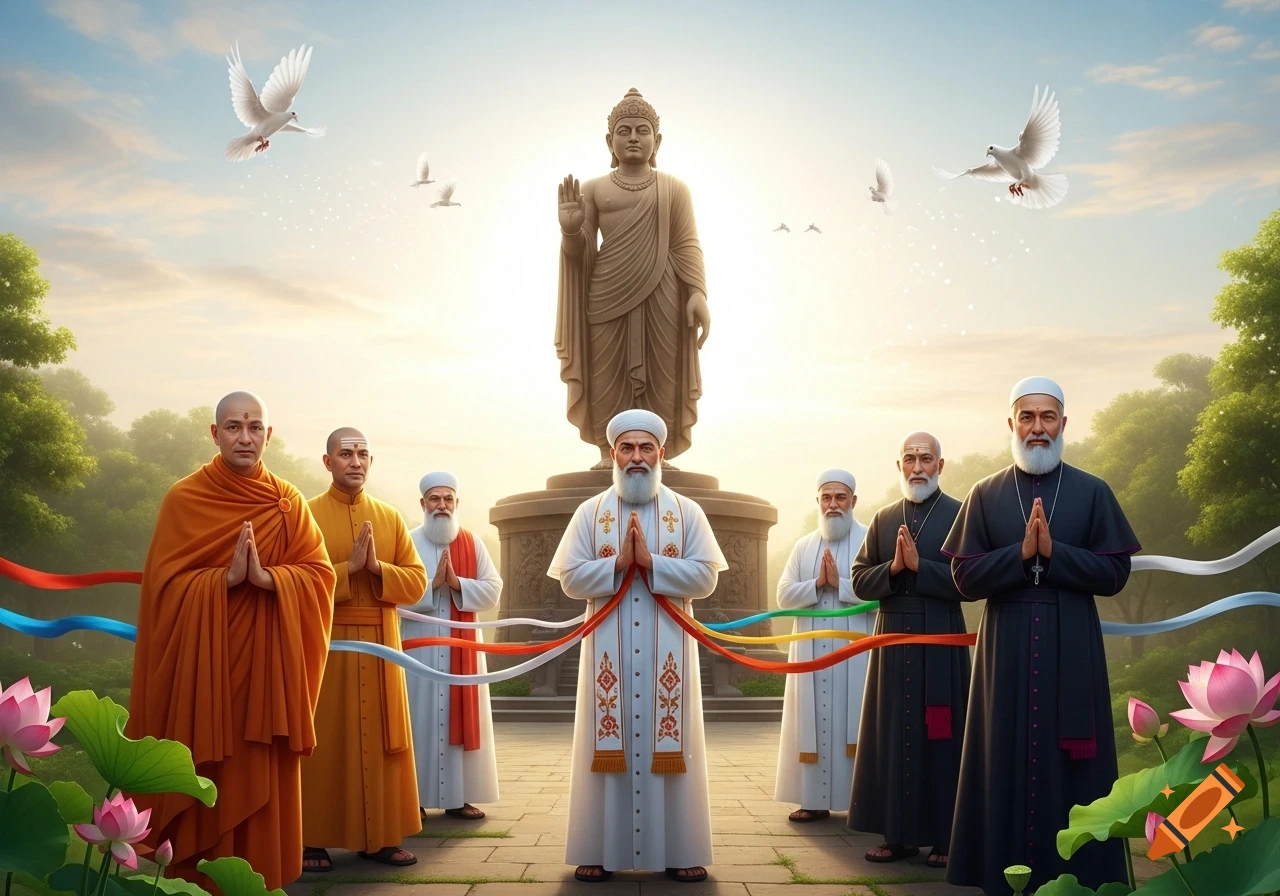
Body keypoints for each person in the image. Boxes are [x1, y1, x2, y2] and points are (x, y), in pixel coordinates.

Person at [126, 392, 335, 890]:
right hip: (203, 670)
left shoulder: (287, 501)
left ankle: (257, 877)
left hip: (267, 673)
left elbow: (320, 576)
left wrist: (268, 580)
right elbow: (163, 588)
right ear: (214, 433)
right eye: (235, 427)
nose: (246, 437)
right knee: (206, 770)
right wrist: (219, 581)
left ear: (269, 434)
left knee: (257, 768)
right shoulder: (185, 497)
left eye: (255, 427)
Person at [941, 377, 1141, 895]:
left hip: (1071, 640)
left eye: (1046, 417)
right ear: (1011, 425)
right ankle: (998, 872)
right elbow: (963, 580)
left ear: (1063, 424)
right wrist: (1020, 555)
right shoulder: (985, 494)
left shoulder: (1093, 490)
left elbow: (1115, 575)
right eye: (1026, 417)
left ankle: (1080, 876)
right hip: (1004, 647)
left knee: (1070, 765)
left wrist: (1053, 553)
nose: (1037, 427)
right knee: (1001, 754)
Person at [548, 409, 727, 883]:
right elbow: (568, 578)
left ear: (661, 453)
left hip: (670, 649)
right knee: (606, 742)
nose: (637, 457)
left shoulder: (687, 512)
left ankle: (681, 848)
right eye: (627, 448)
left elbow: (707, 577)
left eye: (646, 448)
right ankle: (597, 848)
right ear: (613, 454)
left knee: (674, 743)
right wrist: (617, 565)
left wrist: (651, 564)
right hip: (608, 651)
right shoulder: (590, 512)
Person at [555, 88, 712, 466]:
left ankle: (658, 449)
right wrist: (571, 231)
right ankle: (610, 452)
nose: (633, 138)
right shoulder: (593, 189)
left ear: (656, 140)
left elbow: (686, 243)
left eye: (642, 131)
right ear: (610, 141)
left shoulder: (674, 189)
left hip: (664, 292)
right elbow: (580, 256)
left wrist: (698, 293)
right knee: (606, 373)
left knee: (662, 373)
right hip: (606, 291)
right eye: (624, 131)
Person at [300, 429, 426, 871]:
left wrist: (377, 569)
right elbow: (294, 582)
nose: (355, 461)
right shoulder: (305, 516)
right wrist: (346, 571)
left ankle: (382, 838)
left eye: (362, 454)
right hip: (327, 647)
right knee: (324, 740)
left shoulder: (389, 518)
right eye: (346, 454)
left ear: (371, 462)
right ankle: (311, 838)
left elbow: (416, 582)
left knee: (383, 742)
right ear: (328, 461)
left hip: (381, 648)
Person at [848, 433, 970, 869]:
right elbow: (860, 580)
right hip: (892, 639)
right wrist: (895, 569)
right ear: (898, 465)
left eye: (926, 459)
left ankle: (945, 836)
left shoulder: (961, 514)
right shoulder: (882, 518)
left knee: (942, 735)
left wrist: (923, 568)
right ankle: (897, 836)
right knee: (893, 734)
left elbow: (974, 580)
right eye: (909, 460)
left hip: (941, 639)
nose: (917, 467)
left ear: (941, 465)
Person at [773, 470, 873, 823]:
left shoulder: (870, 540)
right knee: (812, 722)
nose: (833, 504)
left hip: (856, 652)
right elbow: (783, 595)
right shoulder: (804, 546)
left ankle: (860, 803)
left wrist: (841, 585)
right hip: (811, 651)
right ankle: (811, 800)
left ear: (853, 501)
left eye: (840, 497)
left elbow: (883, 592)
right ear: (818, 502)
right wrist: (817, 584)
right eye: (826, 498)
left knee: (856, 721)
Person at [403, 471, 503, 822]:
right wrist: (432, 588)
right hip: (418, 652)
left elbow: (493, 589)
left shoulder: (472, 543)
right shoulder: (407, 541)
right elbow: (391, 595)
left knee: (457, 718)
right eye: (435, 499)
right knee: (416, 720)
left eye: (448, 499)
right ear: (423, 504)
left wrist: (458, 583)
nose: (441, 505)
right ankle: (409, 798)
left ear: (456, 503)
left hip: (463, 650)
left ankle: (458, 798)